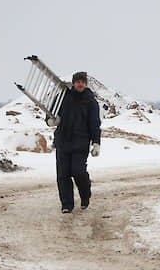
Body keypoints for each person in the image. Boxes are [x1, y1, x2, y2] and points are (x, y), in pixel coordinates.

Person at [47, 71, 101, 214]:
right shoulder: (63, 97)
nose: (80, 84)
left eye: (82, 82)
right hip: (63, 141)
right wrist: (51, 120)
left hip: (81, 142)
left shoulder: (90, 101)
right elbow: (50, 111)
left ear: (85, 84)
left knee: (78, 172)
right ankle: (66, 204)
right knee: (63, 174)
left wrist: (96, 142)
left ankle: (85, 195)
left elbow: (95, 123)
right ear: (73, 83)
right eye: (78, 81)